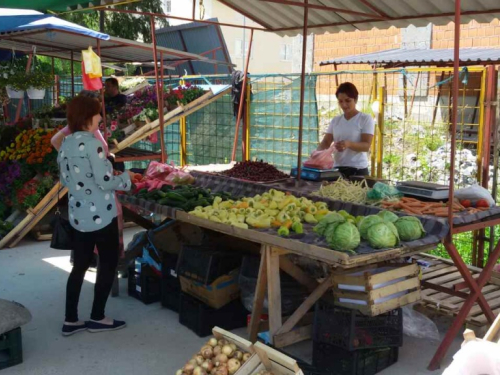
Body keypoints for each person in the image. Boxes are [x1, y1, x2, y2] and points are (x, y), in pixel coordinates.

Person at [59, 95, 134, 336]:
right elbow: (105, 182)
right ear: (87, 117)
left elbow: (64, 179)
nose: (101, 118)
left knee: (79, 266)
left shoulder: (66, 143)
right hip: (102, 215)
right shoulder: (94, 144)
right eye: (97, 114)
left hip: (79, 216)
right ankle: (97, 317)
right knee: (108, 263)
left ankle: (70, 320)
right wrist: (128, 178)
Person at [317, 82, 375, 179]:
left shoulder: (365, 119)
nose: (344, 105)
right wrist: (316, 154)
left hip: (358, 170)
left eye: (348, 101)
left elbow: (366, 146)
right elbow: (326, 142)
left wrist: (348, 144)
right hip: (337, 169)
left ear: (355, 99)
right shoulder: (336, 120)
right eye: (340, 101)